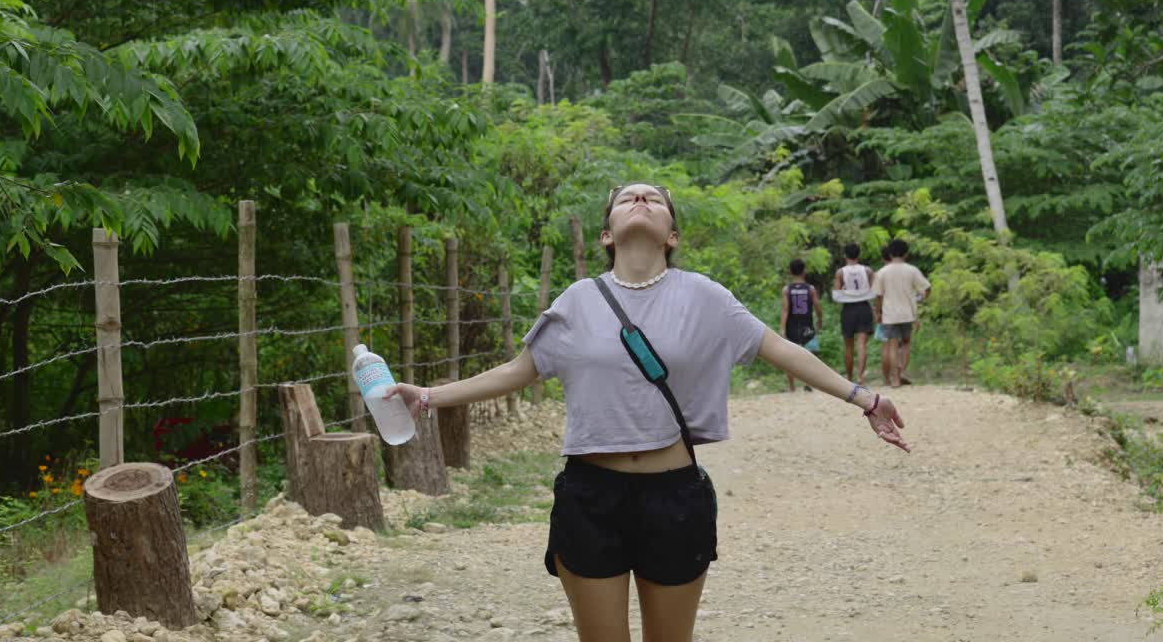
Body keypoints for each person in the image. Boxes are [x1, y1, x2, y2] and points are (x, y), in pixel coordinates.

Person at [384, 183, 909, 642]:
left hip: (674, 495)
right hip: (590, 496)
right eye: (627, 198)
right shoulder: (576, 301)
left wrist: (864, 399)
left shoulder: (706, 298)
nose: (641, 199)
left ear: (672, 235)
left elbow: (779, 348)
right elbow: (520, 370)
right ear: (607, 235)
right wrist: (429, 396)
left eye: (654, 198)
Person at [872, 238, 931, 389]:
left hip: (889, 314)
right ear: (906, 253)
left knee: (892, 346)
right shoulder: (912, 270)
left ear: (890, 253)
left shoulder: (882, 272)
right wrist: (920, 299)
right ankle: (903, 371)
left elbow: (878, 296)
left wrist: (877, 313)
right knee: (905, 344)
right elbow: (927, 288)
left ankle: (895, 380)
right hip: (908, 314)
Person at [832, 243, 875, 384]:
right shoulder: (867, 271)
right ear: (859, 255)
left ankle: (849, 377)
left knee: (848, 345)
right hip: (864, 307)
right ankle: (860, 376)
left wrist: (847, 292)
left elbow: (836, 296)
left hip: (848, 309)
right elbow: (874, 291)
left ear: (845, 256)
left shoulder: (840, 272)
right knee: (862, 344)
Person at [780, 258, 823, 393]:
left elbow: (785, 309)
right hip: (807, 324)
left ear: (791, 272)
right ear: (804, 271)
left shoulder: (787, 289)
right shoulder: (810, 289)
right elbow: (817, 306)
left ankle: (792, 386)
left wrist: (782, 328)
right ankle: (808, 382)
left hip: (792, 325)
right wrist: (820, 320)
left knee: (790, 356)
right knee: (809, 354)